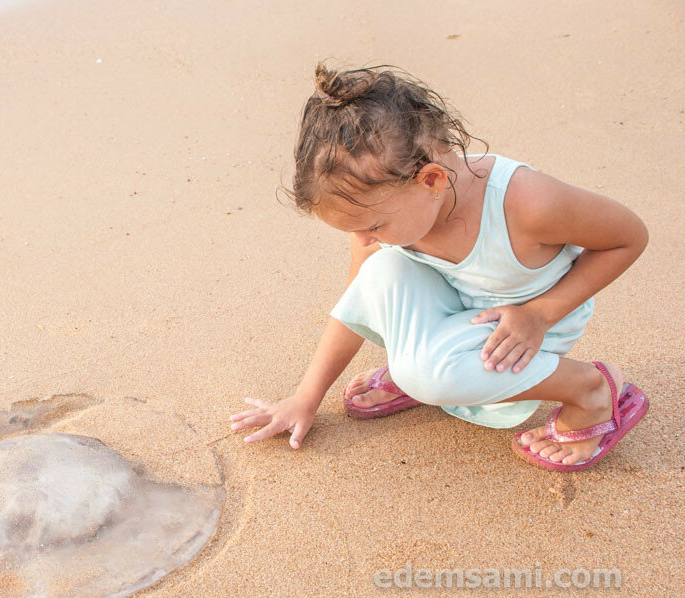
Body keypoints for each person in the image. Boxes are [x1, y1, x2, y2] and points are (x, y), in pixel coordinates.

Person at [228, 63, 650, 472]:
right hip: (461, 310)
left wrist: (540, 314)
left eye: (373, 226)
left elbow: (628, 237)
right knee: (379, 272)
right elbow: (360, 298)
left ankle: (591, 389)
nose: (363, 239)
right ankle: (423, 367)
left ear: (431, 181)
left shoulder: (527, 203)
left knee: (426, 372)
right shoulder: (392, 208)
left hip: (528, 325)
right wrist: (306, 395)